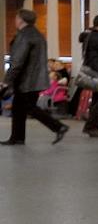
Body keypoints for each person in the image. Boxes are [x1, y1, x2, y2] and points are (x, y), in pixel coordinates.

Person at [1, 9, 69, 146]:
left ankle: (58, 126)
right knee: (18, 108)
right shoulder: (38, 35)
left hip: (26, 79)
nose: (15, 20)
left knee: (29, 107)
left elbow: (17, 61)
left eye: (16, 17)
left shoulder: (24, 36)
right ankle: (17, 138)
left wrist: (7, 81)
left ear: (21, 19)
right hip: (36, 79)